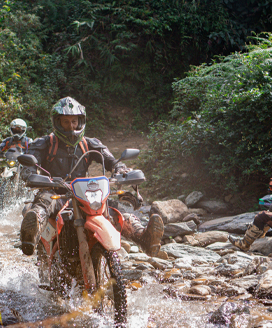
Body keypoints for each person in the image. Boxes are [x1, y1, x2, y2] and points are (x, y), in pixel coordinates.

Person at [19, 96, 164, 257]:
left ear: (81, 121)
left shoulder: (89, 143)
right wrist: (31, 175)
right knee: (43, 204)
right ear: (57, 122)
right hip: (55, 192)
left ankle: (145, 237)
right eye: (66, 122)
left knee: (114, 209)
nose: (71, 126)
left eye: (74, 121)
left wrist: (120, 169)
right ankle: (30, 234)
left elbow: (112, 161)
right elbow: (28, 165)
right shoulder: (45, 143)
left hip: (84, 194)